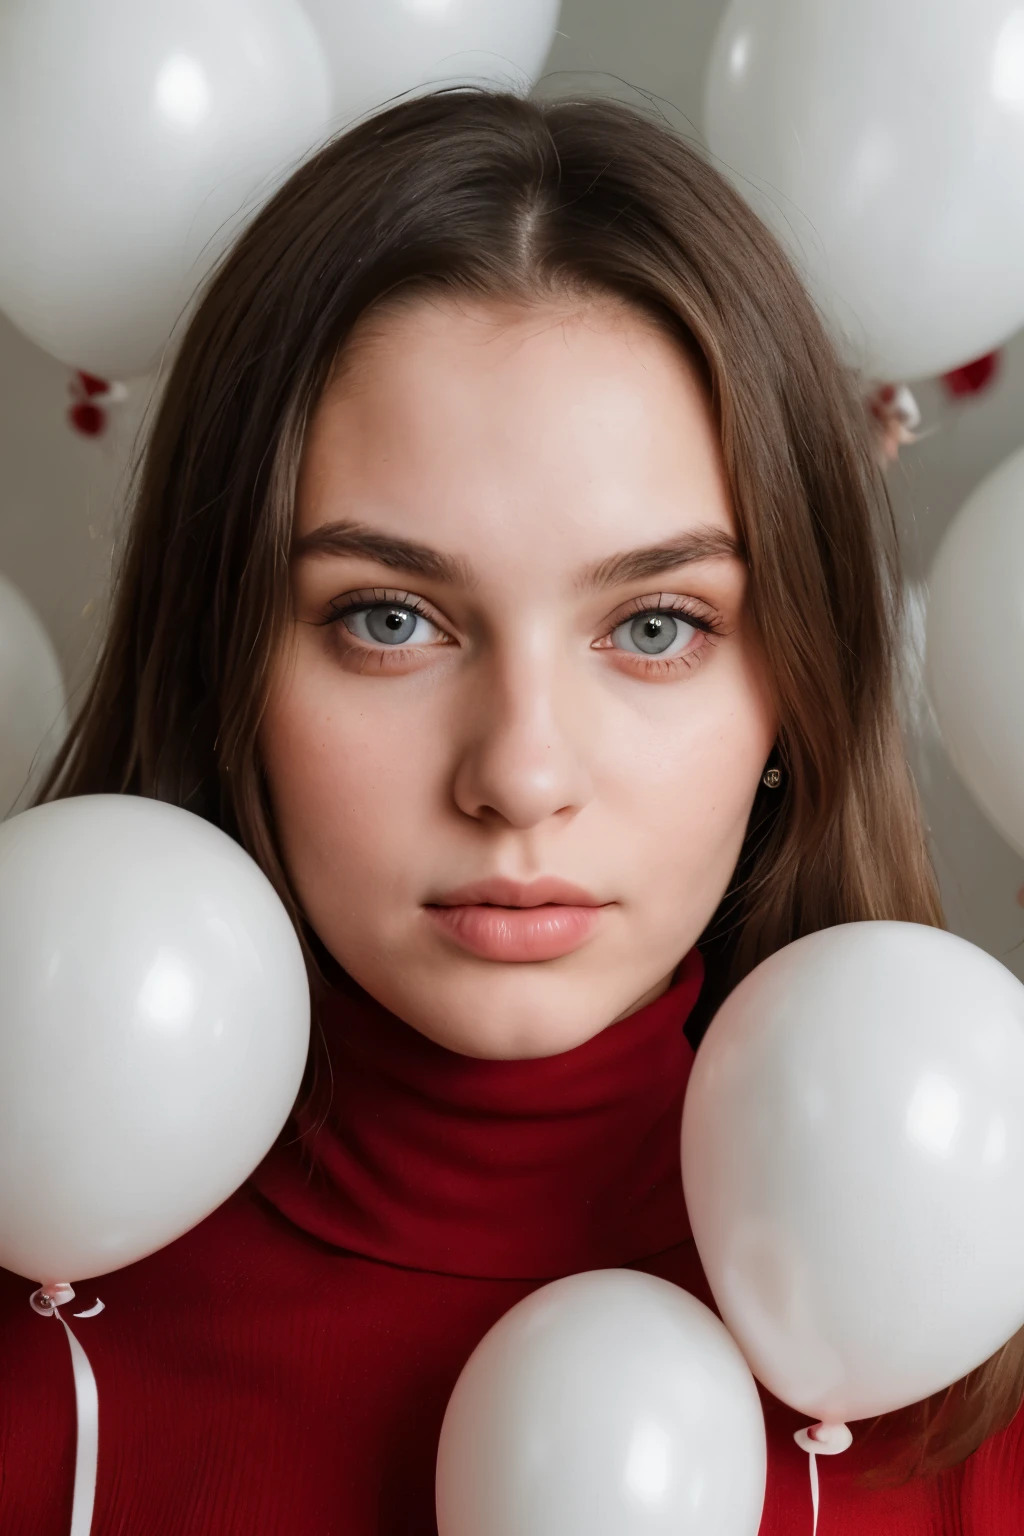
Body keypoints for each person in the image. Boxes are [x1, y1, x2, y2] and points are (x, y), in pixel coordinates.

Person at [1, 88, 1021, 1535]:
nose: (522, 775)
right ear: (224, 653)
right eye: (392, 618)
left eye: (656, 627)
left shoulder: (975, 1385)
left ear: (794, 685)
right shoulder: (35, 1338)